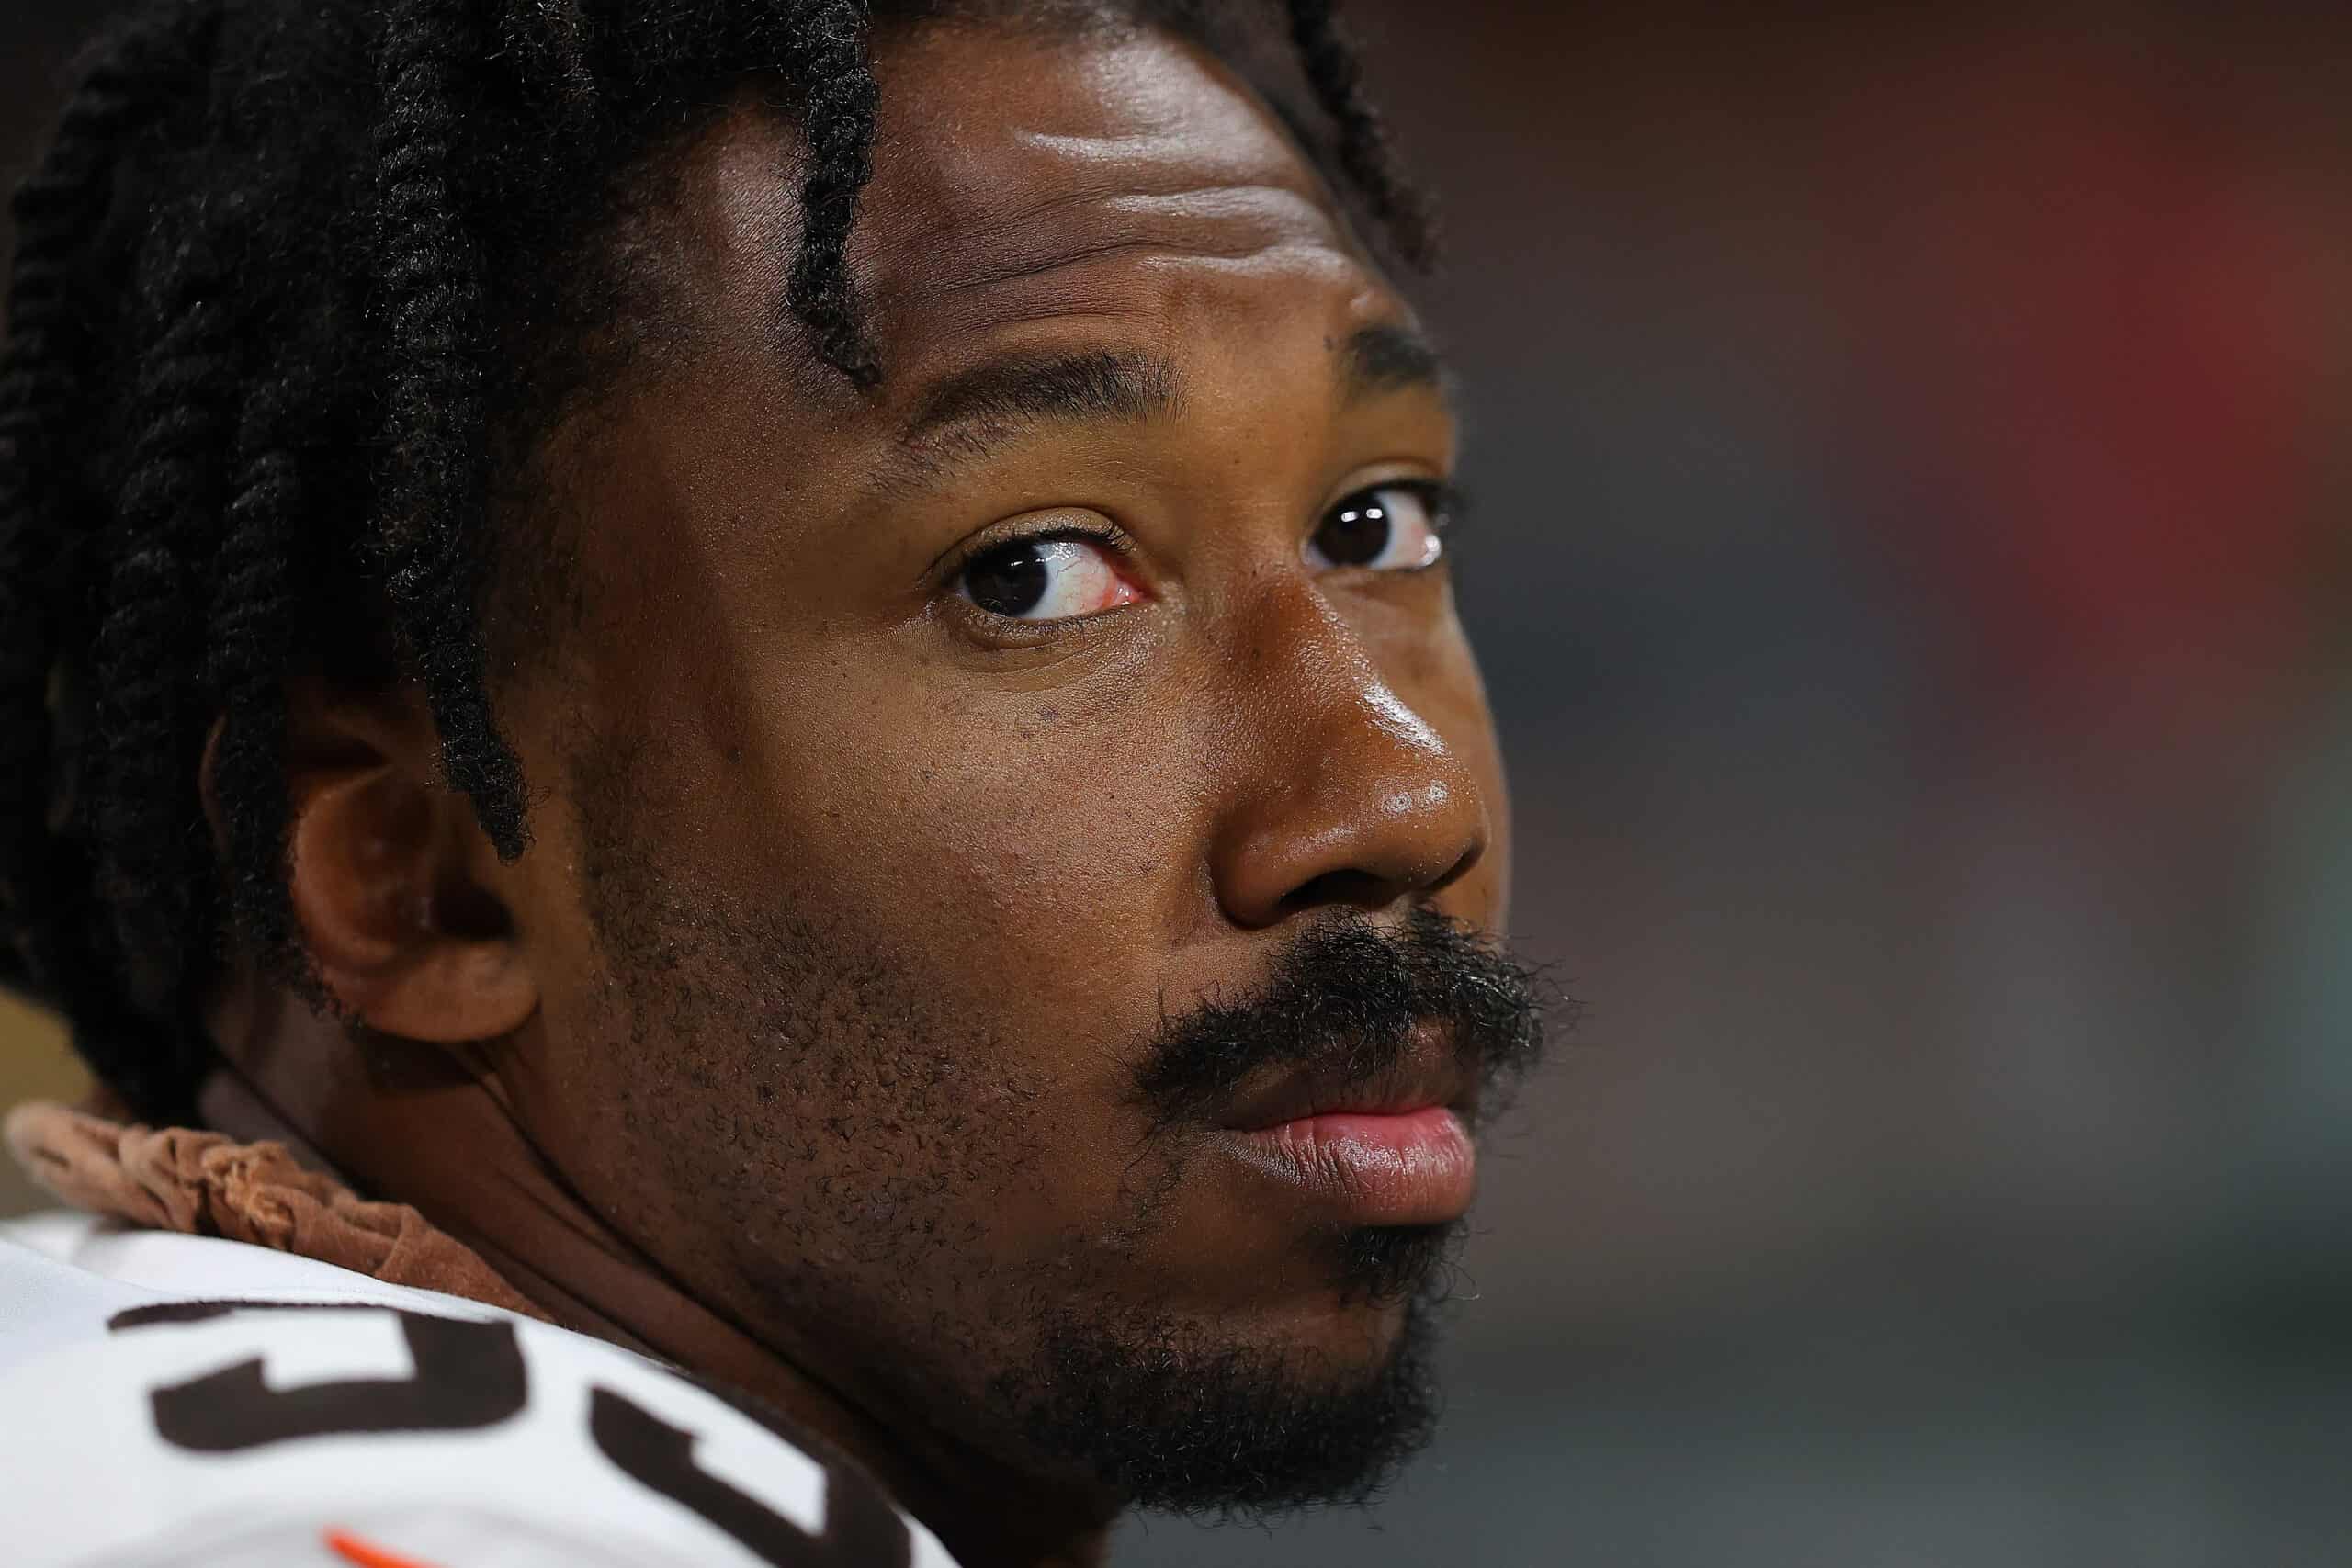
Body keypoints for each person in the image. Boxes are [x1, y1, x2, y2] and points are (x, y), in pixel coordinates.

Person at [0, 1, 1551, 1563]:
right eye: (1028, 576)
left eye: (1376, 526)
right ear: (426, 877)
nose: (1402, 806)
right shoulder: (428, 1519)